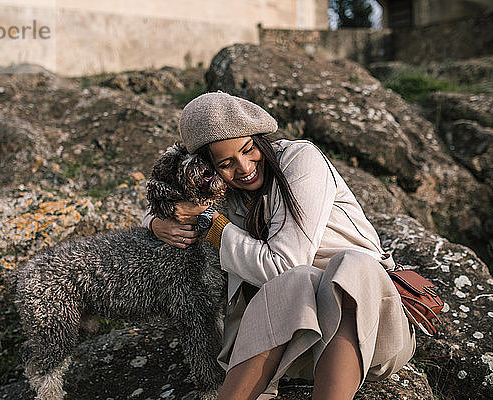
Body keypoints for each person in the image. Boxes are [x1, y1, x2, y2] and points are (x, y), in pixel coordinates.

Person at [141, 91, 416, 400]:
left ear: (260, 138)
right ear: (207, 167)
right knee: (298, 280)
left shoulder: (300, 160)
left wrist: (213, 226)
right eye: (226, 163)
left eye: (248, 150)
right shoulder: (217, 190)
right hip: (287, 344)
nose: (244, 168)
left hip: (365, 334)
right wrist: (157, 222)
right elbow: (160, 205)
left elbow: (284, 265)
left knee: (350, 264)